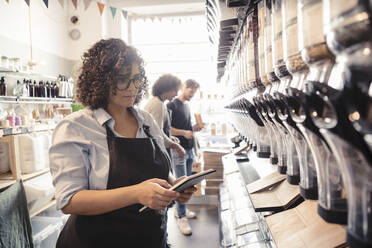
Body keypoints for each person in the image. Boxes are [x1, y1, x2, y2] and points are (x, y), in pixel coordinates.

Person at [49, 38, 196, 248]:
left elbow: (156, 173)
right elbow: (69, 200)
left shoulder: (146, 120)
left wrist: (173, 187)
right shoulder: (75, 127)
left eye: (136, 78)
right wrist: (136, 193)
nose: (132, 87)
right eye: (122, 79)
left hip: (150, 238)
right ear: (100, 81)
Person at [167, 79, 201, 235]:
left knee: (187, 183)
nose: (192, 94)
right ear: (183, 88)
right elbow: (168, 130)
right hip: (178, 150)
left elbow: (187, 128)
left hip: (188, 150)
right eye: (191, 91)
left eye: (195, 91)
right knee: (181, 185)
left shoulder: (187, 106)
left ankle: (180, 209)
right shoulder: (171, 105)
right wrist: (184, 133)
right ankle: (181, 217)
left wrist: (195, 129)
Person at [144, 74, 185, 159]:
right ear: (167, 88)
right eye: (175, 90)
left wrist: (170, 137)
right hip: (155, 152)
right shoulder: (157, 104)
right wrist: (177, 147)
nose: (176, 94)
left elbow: (158, 130)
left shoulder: (158, 102)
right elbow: (157, 133)